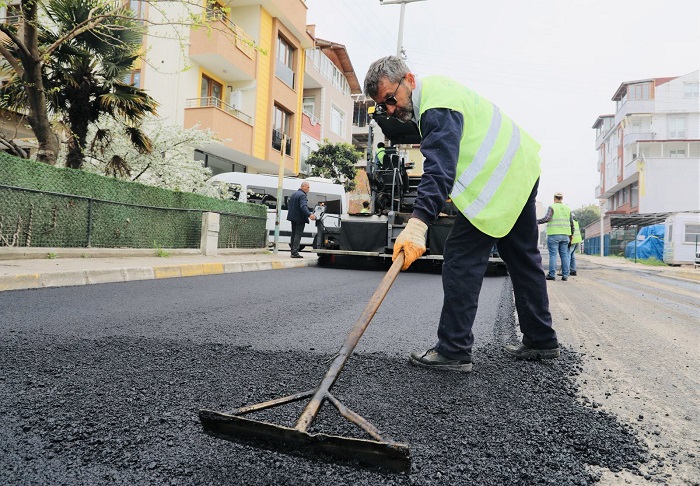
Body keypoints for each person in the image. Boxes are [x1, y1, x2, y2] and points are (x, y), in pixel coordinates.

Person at [364, 56, 559, 372]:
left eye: (390, 98)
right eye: (381, 105)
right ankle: (541, 340)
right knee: (523, 257)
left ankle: (454, 349)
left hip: (500, 181)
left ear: (409, 80)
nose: (389, 108)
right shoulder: (441, 92)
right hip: (520, 171)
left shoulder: (436, 105)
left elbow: (439, 169)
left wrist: (418, 221)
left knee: (460, 257)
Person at [537, 192, 574, 281]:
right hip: (565, 235)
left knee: (553, 255)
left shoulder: (552, 207)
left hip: (554, 235)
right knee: (564, 255)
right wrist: (571, 235)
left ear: (554, 198)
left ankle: (552, 274)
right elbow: (571, 223)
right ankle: (565, 275)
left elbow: (547, 218)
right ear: (562, 198)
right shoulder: (567, 209)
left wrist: (536, 221)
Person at [286, 181, 316, 258]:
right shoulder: (302, 195)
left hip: (293, 217)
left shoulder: (294, 194)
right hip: (299, 218)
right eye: (308, 187)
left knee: (293, 234)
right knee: (298, 235)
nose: (309, 189)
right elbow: (303, 207)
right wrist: (309, 214)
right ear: (303, 187)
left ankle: (292, 251)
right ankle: (295, 252)